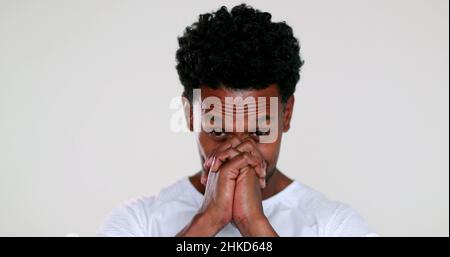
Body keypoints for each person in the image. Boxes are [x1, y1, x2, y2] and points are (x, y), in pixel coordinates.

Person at [97, 3, 376, 237]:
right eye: (218, 130)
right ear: (190, 115)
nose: (240, 151)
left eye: (258, 131)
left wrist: (254, 225)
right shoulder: (138, 222)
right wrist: (208, 220)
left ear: (286, 115)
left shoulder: (336, 225)